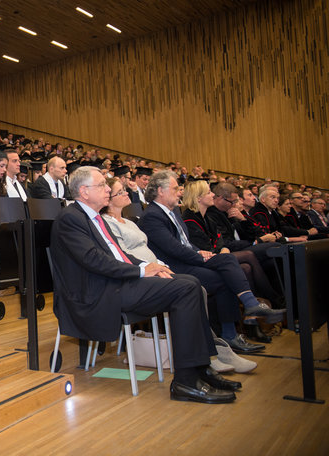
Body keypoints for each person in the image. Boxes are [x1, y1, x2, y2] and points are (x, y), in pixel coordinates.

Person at [51, 166, 239, 403]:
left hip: (117, 282)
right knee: (186, 288)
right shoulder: (71, 218)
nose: (108, 189)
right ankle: (186, 380)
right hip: (99, 293)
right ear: (84, 191)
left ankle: (201, 369)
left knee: (191, 281)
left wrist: (151, 266)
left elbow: (120, 254)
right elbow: (93, 260)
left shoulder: (96, 218)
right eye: (102, 185)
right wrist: (140, 270)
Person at [138, 171, 285, 354]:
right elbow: (173, 249)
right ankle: (239, 322)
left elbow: (185, 242)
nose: (180, 192)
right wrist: (201, 257)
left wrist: (199, 251)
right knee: (225, 271)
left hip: (187, 259)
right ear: (160, 190)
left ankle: (244, 315)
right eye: (176, 188)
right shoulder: (152, 216)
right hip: (173, 267)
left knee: (227, 262)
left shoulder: (172, 211)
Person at [182, 180, 284, 311]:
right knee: (251, 254)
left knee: (247, 267)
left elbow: (220, 240)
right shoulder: (190, 218)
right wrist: (223, 250)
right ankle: (271, 303)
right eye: (209, 192)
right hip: (206, 259)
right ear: (198, 198)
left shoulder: (207, 216)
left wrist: (224, 248)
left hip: (221, 254)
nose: (213, 194)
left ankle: (258, 311)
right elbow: (205, 247)